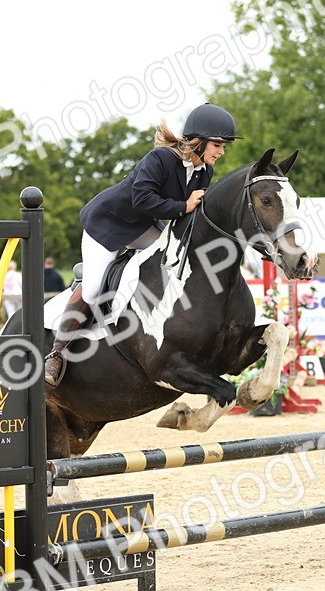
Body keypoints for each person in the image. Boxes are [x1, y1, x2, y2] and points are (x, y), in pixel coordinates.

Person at [42, 103, 239, 386]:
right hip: (107, 224)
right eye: (218, 144)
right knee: (95, 286)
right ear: (198, 142)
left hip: (140, 226)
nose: (221, 152)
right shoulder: (160, 159)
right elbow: (142, 200)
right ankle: (56, 354)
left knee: (170, 258)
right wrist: (184, 205)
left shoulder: (202, 171)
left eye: (224, 146)